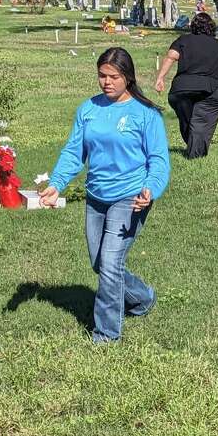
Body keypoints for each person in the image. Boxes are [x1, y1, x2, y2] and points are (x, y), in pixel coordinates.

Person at [40, 48, 171, 344]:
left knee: (110, 264)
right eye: (102, 76)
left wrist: (150, 189)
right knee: (100, 263)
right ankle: (142, 296)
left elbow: (159, 160)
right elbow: (75, 152)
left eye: (114, 76)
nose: (106, 82)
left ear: (128, 77)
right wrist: (56, 183)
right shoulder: (88, 109)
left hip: (130, 197)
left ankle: (106, 335)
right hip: (96, 197)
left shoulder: (145, 115)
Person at [153, 12, 218, 159]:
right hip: (209, 89)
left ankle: (194, 146)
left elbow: (171, 57)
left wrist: (160, 78)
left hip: (181, 89)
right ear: (211, 28)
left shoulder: (183, 40)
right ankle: (196, 154)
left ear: (193, 27)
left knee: (188, 120)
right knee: (202, 120)